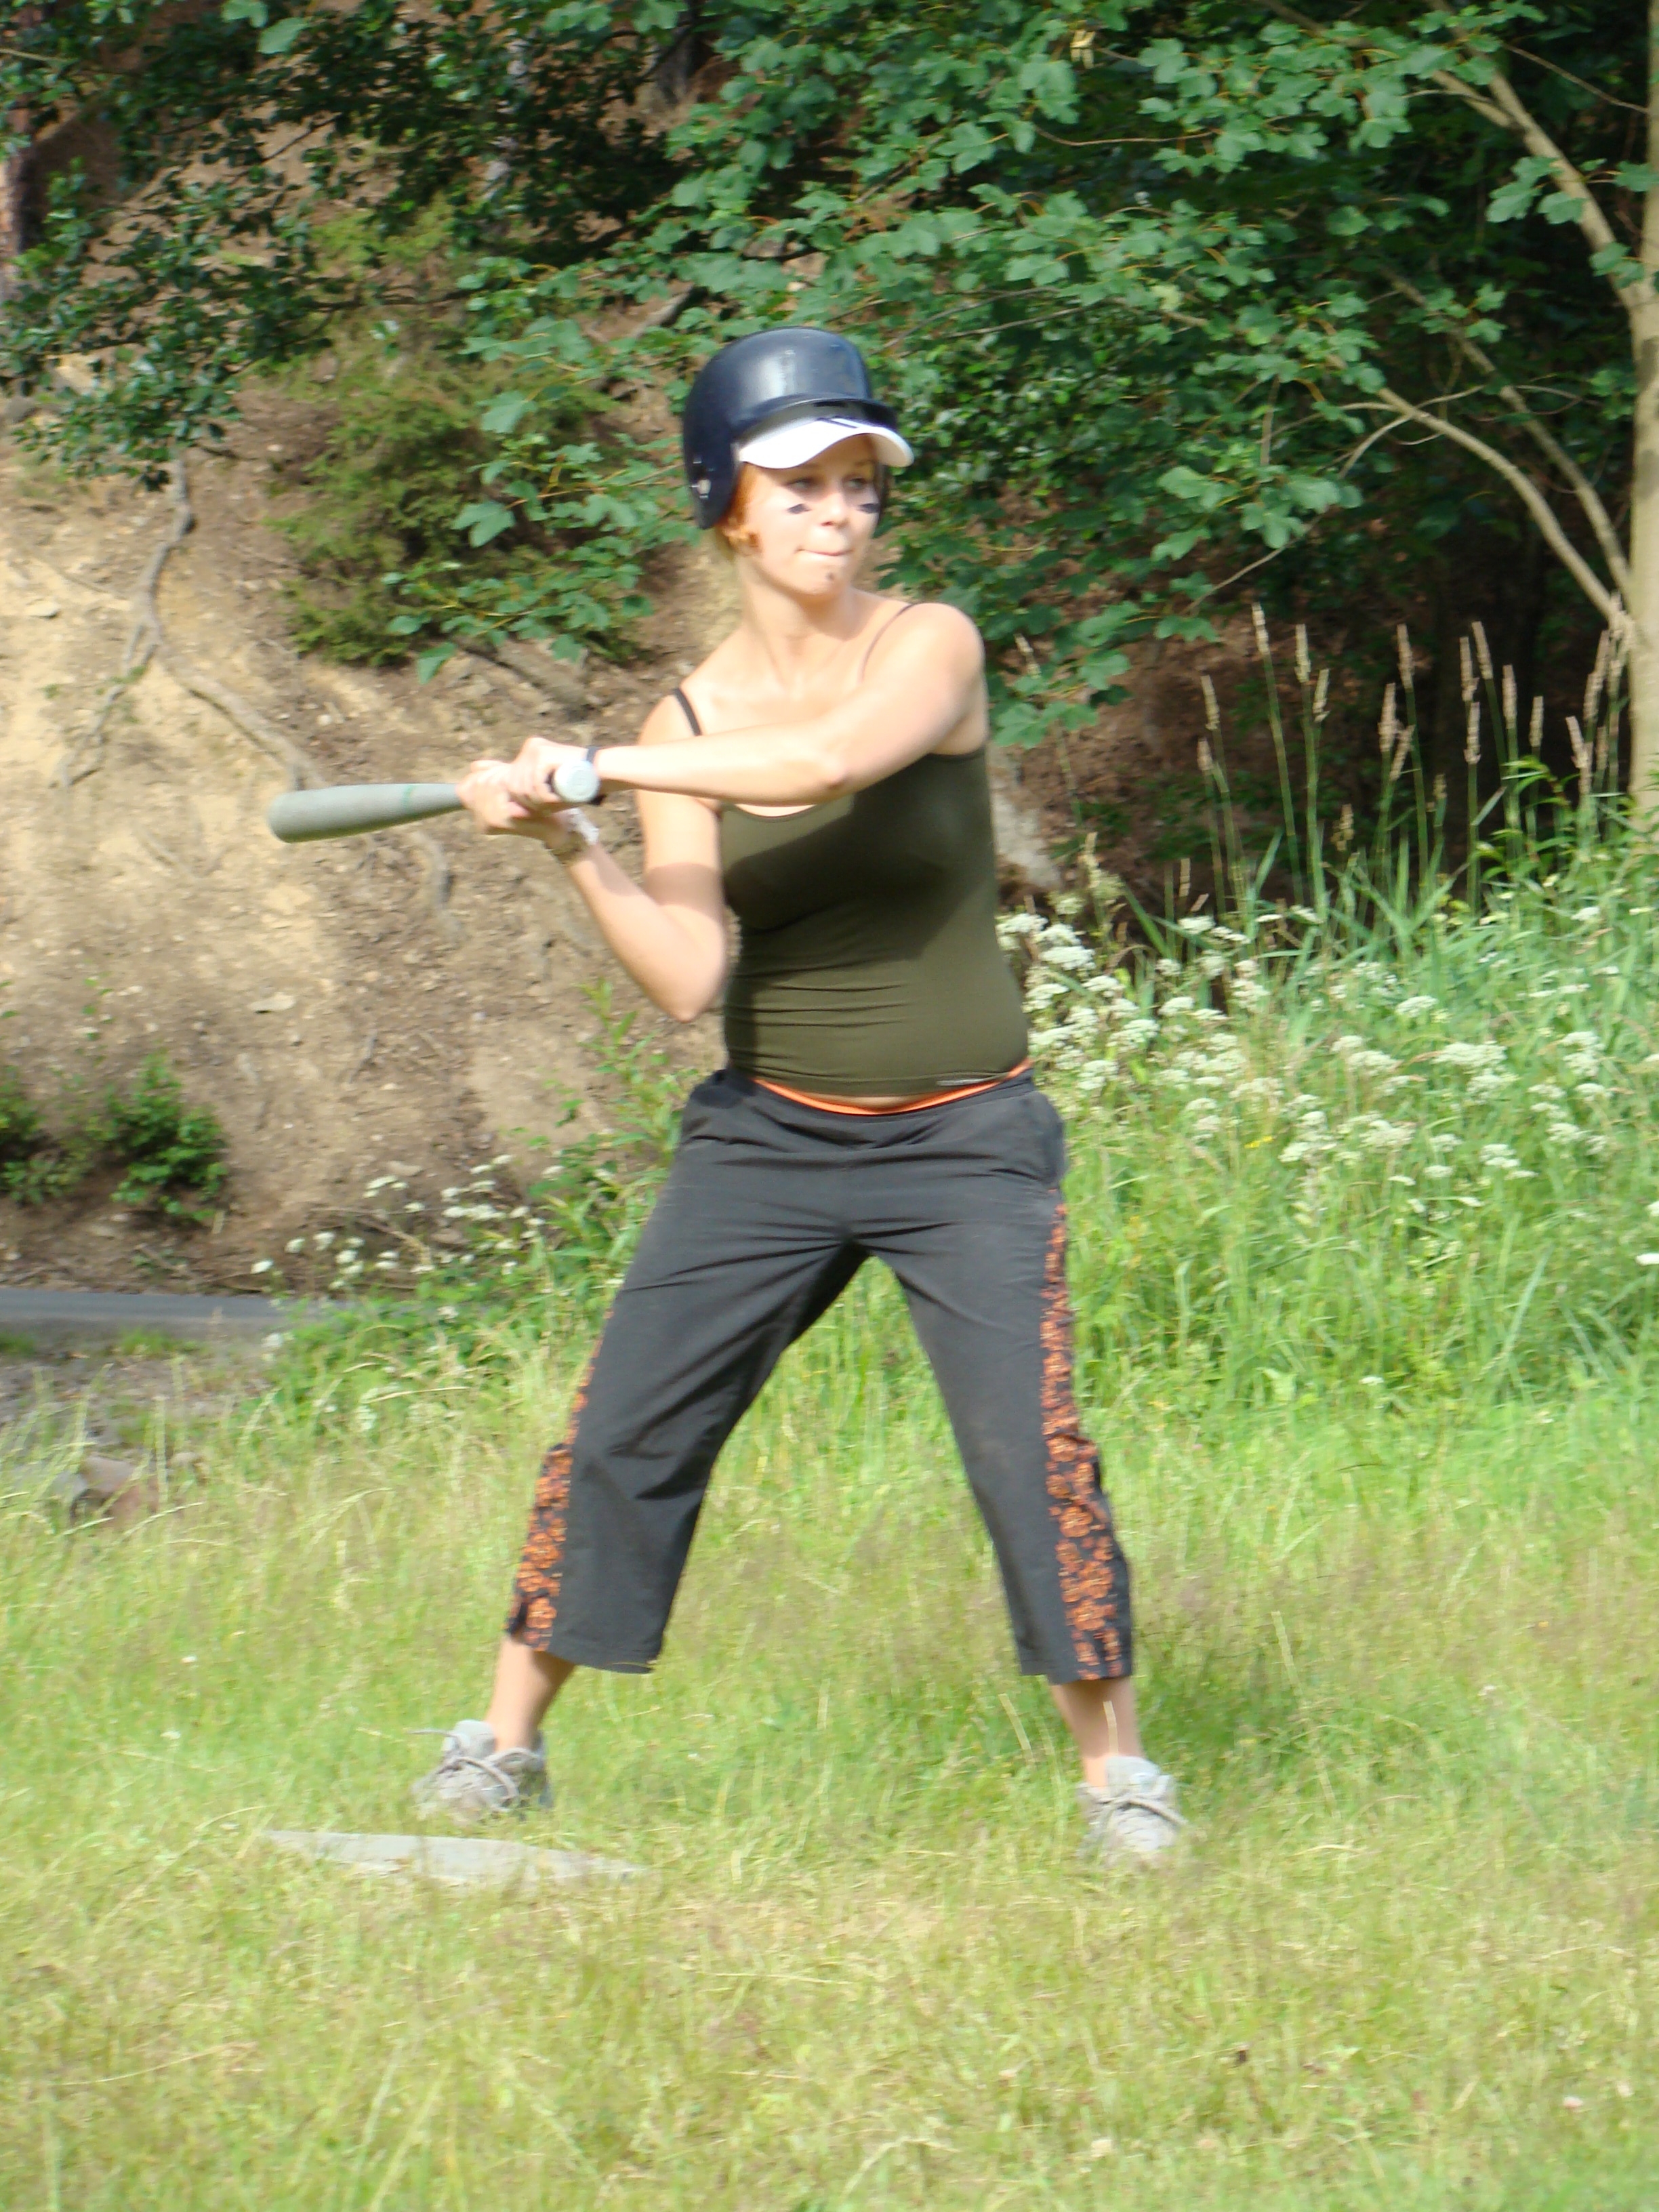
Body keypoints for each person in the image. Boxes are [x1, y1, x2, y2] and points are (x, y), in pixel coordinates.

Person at [414, 327, 1182, 1862]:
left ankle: (1121, 1783)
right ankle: (499, 1749)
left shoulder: (930, 645)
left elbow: (831, 759)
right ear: (729, 506)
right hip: (767, 1139)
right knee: (626, 1430)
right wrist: (572, 840)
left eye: (860, 485)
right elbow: (687, 973)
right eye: (802, 485)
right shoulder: (684, 727)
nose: (841, 512)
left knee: (1027, 1449)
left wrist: (592, 768)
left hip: (965, 1138)